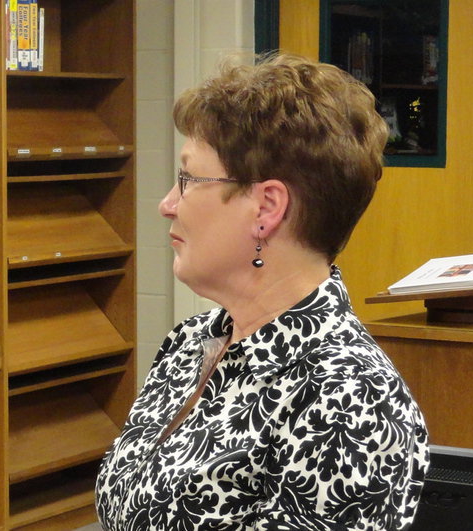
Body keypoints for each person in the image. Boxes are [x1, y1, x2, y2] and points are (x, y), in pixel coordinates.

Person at [96, 53, 429, 530]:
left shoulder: (350, 398)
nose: (167, 204)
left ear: (267, 206)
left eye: (189, 178)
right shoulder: (191, 343)